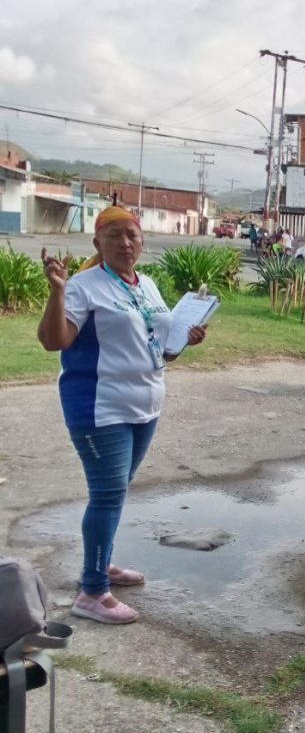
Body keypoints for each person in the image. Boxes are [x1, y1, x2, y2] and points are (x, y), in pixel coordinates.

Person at [37, 205, 208, 625]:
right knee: (107, 495)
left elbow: (158, 345)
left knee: (115, 493)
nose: (125, 242)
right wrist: (57, 291)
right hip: (100, 406)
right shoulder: (82, 286)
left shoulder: (146, 284)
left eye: (131, 234)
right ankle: (92, 592)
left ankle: (101, 564)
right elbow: (53, 340)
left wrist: (185, 340)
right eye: (114, 235)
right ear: (98, 243)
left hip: (144, 405)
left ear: (142, 241)